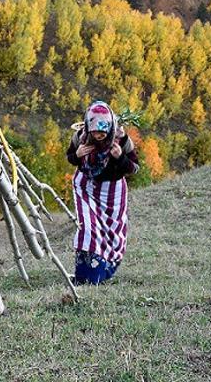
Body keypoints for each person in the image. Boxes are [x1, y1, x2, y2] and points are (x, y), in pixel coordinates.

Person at [66, 101, 139, 285]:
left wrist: (120, 157)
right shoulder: (80, 137)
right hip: (87, 189)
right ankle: (85, 276)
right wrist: (78, 154)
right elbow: (71, 158)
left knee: (110, 234)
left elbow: (134, 168)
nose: (98, 136)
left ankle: (103, 272)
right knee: (88, 230)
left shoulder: (120, 138)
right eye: (95, 132)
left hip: (112, 193)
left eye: (102, 132)